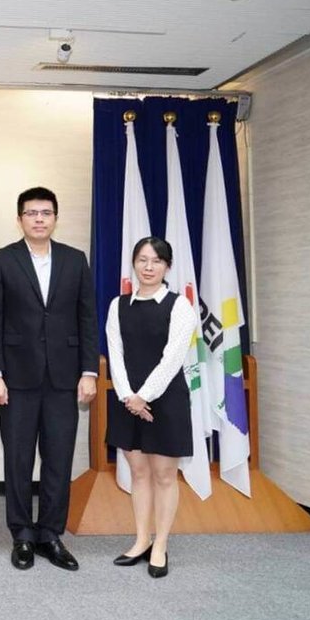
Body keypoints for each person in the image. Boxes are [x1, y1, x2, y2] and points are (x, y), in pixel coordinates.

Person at [0, 186, 98, 572]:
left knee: (58, 458)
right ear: (19, 219)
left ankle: (50, 533)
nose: (39, 219)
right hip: (15, 378)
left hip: (64, 378)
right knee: (18, 459)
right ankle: (22, 535)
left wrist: (89, 371)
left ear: (55, 218)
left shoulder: (75, 260)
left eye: (46, 213)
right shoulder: (2, 260)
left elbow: (87, 318)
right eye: (31, 213)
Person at [106, 237, 196, 579]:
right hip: (127, 400)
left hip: (166, 401)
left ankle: (161, 545)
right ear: (133, 263)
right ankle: (142, 540)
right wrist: (129, 397)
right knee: (139, 474)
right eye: (142, 259)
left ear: (167, 267)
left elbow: (172, 359)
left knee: (164, 476)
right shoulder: (118, 305)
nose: (148, 267)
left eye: (157, 261)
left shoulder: (179, 306)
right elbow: (115, 354)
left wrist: (144, 396)